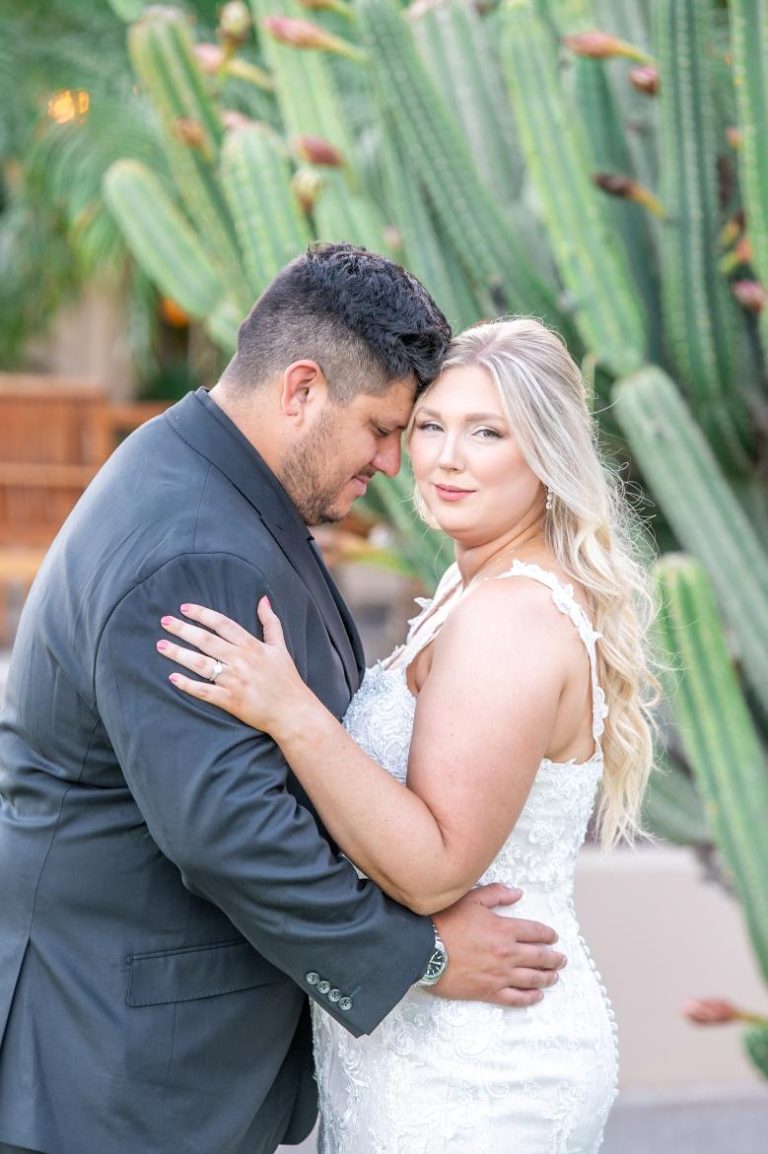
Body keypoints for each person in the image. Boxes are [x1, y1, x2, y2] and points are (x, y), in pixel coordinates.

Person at [0, 248, 566, 1154]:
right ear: (302, 389)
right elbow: (229, 829)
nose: (395, 461)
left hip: (143, 1061)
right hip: (124, 1077)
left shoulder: (199, 477)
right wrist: (419, 957)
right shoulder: (197, 548)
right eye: (384, 427)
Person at [158, 316, 658, 1154]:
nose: (446, 457)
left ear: (544, 454)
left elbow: (432, 870)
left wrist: (289, 711)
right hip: (422, 1040)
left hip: (478, 1068)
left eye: (487, 432)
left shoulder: (509, 618)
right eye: (430, 426)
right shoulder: (472, 593)